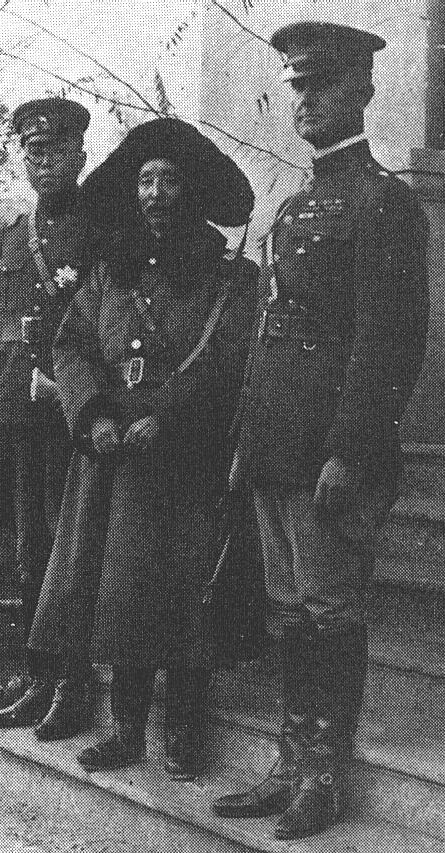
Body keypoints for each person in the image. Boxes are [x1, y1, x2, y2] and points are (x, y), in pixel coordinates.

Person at [213, 21, 429, 840]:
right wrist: (246, 436)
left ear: (363, 92)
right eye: (299, 85)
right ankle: (289, 760)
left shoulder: (387, 202)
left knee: (331, 608)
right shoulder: (296, 203)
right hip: (274, 447)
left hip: (330, 457)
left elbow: (389, 342)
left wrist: (352, 447)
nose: (305, 99)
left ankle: (324, 774)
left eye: (322, 85)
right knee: (287, 610)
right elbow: (271, 337)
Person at [27, 117, 257, 779]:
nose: (156, 192)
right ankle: (127, 730)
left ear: (190, 191)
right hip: (112, 458)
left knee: (183, 599)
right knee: (119, 594)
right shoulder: (109, 271)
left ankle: (184, 733)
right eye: (146, 180)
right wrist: (92, 411)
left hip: (184, 461)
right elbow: (72, 345)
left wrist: (166, 415)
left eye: (170, 180)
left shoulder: (226, 276)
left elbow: (229, 358)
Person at [0, 98, 105, 734]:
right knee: (23, 542)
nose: (46, 161)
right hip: (9, 407)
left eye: (58, 150)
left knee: (67, 547)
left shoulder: (104, 228)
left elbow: (111, 324)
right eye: (34, 150)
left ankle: (74, 682)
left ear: (80, 154)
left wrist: (76, 390)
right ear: (23, 158)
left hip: (67, 412)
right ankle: (34, 677)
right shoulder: (7, 235)